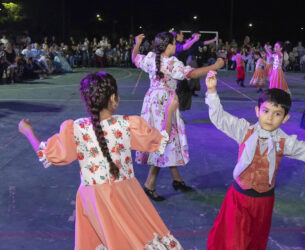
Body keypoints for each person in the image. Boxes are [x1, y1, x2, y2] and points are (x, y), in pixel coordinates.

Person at [18, 72, 183, 249]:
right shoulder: (127, 125)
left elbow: (48, 153)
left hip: (94, 200)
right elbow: (161, 140)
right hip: (126, 195)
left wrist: (28, 131)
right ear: (113, 98)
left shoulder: (76, 129)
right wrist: (169, 111)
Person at [204, 71, 305, 250]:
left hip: (264, 202)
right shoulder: (244, 130)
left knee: (255, 243)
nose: (270, 117)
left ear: (285, 118)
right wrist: (212, 91)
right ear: (257, 111)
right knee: (234, 243)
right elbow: (219, 118)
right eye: (266, 111)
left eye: (277, 113)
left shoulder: (285, 142)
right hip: (238, 199)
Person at [132, 33, 224, 201]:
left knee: (166, 140)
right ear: (168, 46)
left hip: (151, 103)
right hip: (167, 104)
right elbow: (193, 74)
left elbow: (135, 58)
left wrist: (137, 43)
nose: (176, 46)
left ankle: (177, 179)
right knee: (164, 140)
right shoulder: (172, 63)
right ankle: (149, 184)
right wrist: (215, 66)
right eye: (174, 44)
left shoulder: (152, 57)